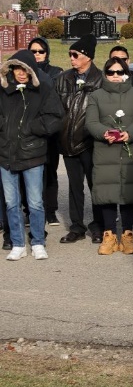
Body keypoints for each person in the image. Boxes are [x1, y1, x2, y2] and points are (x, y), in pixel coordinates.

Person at [0, 50, 64, 261]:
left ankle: (38, 241)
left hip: (33, 153)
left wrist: (31, 128)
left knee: (35, 202)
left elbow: (55, 116)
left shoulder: (43, 89)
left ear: (31, 71)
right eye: (16, 68)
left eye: (24, 69)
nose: (20, 73)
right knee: (11, 202)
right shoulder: (3, 90)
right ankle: (18, 243)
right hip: (6, 153)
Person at [85, 57, 133, 256]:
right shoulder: (96, 96)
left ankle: (128, 235)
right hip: (106, 149)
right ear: (105, 74)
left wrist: (129, 133)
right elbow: (91, 121)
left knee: (128, 192)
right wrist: (104, 133)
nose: (115, 76)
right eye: (111, 72)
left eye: (119, 72)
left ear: (126, 74)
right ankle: (109, 235)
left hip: (130, 148)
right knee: (108, 193)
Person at [56, 34, 105, 245]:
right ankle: (76, 227)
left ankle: (98, 226)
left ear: (88, 57)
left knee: (96, 186)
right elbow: (56, 108)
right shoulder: (63, 78)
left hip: (91, 143)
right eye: (70, 54)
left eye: (75, 54)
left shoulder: (101, 80)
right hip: (68, 142)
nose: (71, 58)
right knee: (74, 187)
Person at [28, 36, 62, 227]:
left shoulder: (55, 73)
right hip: (29, 132)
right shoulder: (22, 72)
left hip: (49, 133)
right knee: (29, 174)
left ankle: (50, 211)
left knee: (49, 172)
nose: (38, 55)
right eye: (33, 52)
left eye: (41, 51)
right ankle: (30, 211)